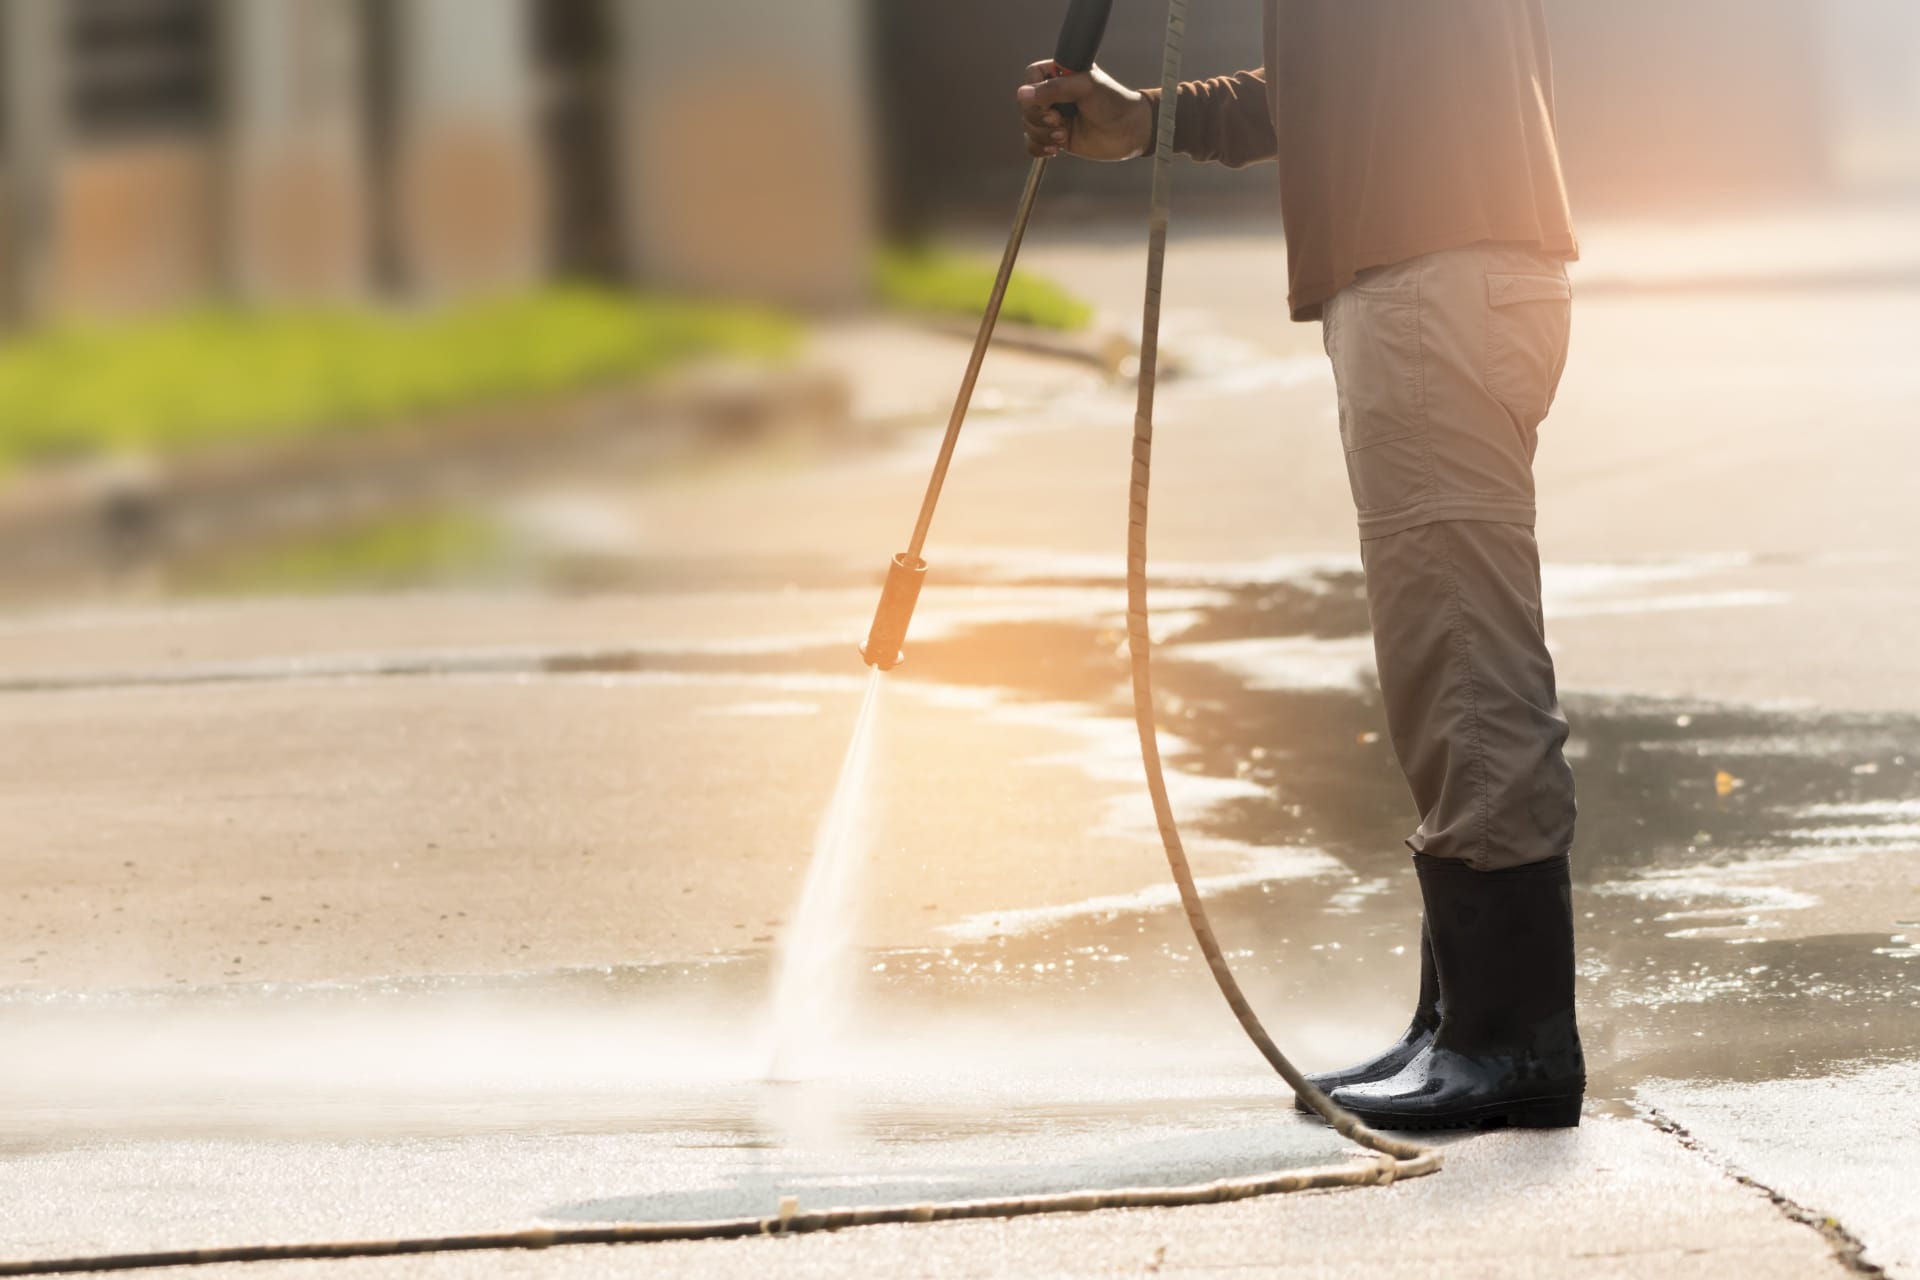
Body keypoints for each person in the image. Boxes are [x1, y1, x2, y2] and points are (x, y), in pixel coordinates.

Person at [1017, 0, 1585, 1130]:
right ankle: (1461, 1017)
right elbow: (1329, 86)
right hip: (1423, 276)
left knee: (1463, 659)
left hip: (1438, 276)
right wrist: (1150, 122)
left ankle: (1514, 1037)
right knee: (1439, 657)